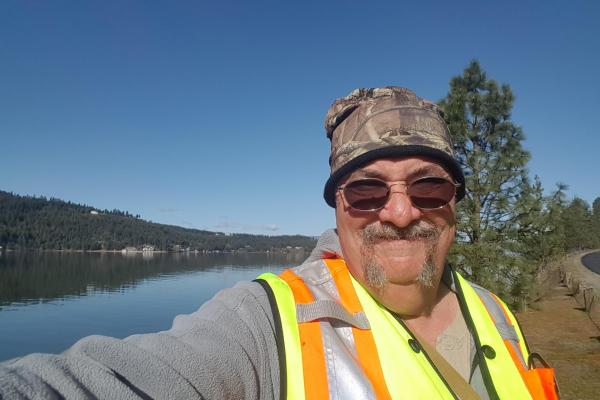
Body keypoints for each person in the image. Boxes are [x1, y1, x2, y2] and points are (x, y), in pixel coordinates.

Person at [0, 87, 557, 399]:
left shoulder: (495, 312)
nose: (400, 211)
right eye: (366, 190)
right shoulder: (269, 323)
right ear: (338, 206)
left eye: (428, 185)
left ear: (455, 199)